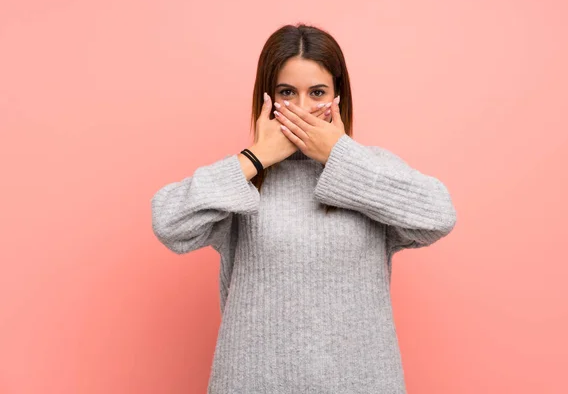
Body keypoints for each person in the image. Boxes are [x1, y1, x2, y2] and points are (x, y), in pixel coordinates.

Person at [151, 23, 457, 394]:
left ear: (338, 96)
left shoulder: (368, 168)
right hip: (253, 382)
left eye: (317, 93)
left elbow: (439, 215)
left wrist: (339, 156)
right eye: (286, 93)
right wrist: (255, 157)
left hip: (360, 382)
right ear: (267, 98)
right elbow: (169, 222)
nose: (302, 108)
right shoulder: (246, 177)